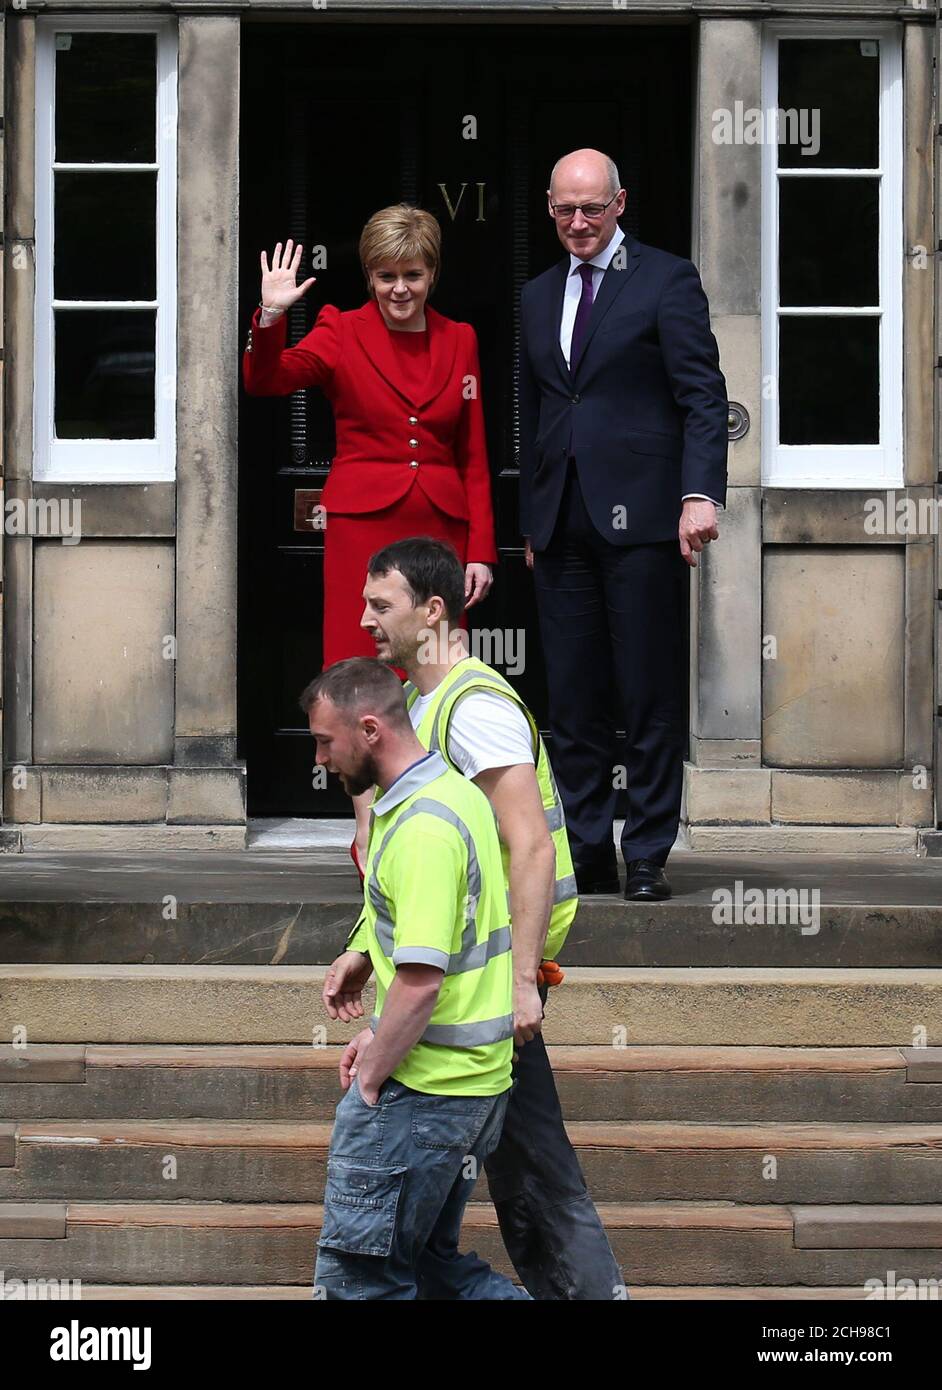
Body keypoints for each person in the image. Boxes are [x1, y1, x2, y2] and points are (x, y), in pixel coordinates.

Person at [324, 538, 625, 1300]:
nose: (364, 620)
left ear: (433, 612)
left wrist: (524, 981)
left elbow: (528, 846)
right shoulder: (425, 705)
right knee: (503, 1196)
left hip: (492, 991)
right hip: (476, 990)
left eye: (379, 605)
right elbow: (432, 862)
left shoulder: (474, 707)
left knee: (536, 1188)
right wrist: (366, 945)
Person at [243, 203, 497, 873]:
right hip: (362, 530)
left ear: (433, 273)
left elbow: (473, 451)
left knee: (437, 678)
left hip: (440, 535)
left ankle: (444, 830)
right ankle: (372, 837)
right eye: (385, 275)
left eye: (412, 274)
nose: (399, 289)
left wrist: (480, 549)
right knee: (364, 682)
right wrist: (270, 317)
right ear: (368, 274)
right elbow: (267, 379)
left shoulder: (461, 339)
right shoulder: (339, 330)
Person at [519, 148, 728, 902]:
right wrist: (531, 523)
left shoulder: (667, 279)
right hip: (562, 521)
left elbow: (703, 395)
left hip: (644, 521)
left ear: (620, 204)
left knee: (646, 693)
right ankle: (585, 849)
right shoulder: (538, 294)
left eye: (592, 209)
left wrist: (699, 494)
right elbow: (537, 412)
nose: (578, 223)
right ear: (549, 207)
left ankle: (645, 853)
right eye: (565, 210)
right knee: (572, 701)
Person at [303, 658, 529, 1301]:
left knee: (361, 1283)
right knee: (433, 1273)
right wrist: (377, 1026)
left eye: (326, 741)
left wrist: (372, 1074)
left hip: (425, 1094)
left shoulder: (423, 827)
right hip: (467, 1086)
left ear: (370, 730)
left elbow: (424, 981)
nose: (321, 759)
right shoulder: (452, 792)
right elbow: (433, 952)